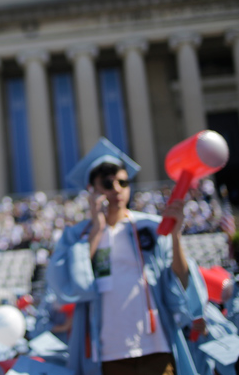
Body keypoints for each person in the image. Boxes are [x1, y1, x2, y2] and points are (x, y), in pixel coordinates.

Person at [46, 138, 199, 375]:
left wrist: (176, 236)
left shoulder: (151, 226)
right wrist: (97, 230)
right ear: (92, 190)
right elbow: (64, 285)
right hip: (108, 353)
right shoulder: (77, 235)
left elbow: (180, 282)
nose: (116, 189)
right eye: (107, 183)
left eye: (123, 182)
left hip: (156, 347)